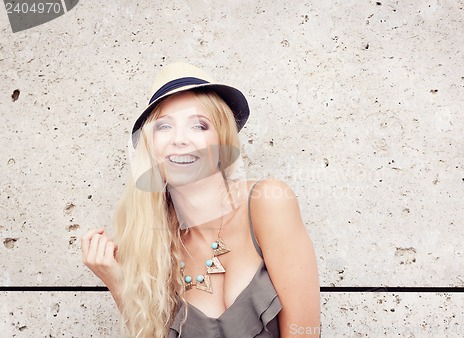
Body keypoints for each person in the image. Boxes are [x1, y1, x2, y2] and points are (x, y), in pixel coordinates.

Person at [81, 62, 321, 337]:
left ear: (222, 138)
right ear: (150, 148)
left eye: (199, 125)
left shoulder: (267, 203)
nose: (180, 139)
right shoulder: (151, 249)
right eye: (164, 127)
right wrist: (119, 284)